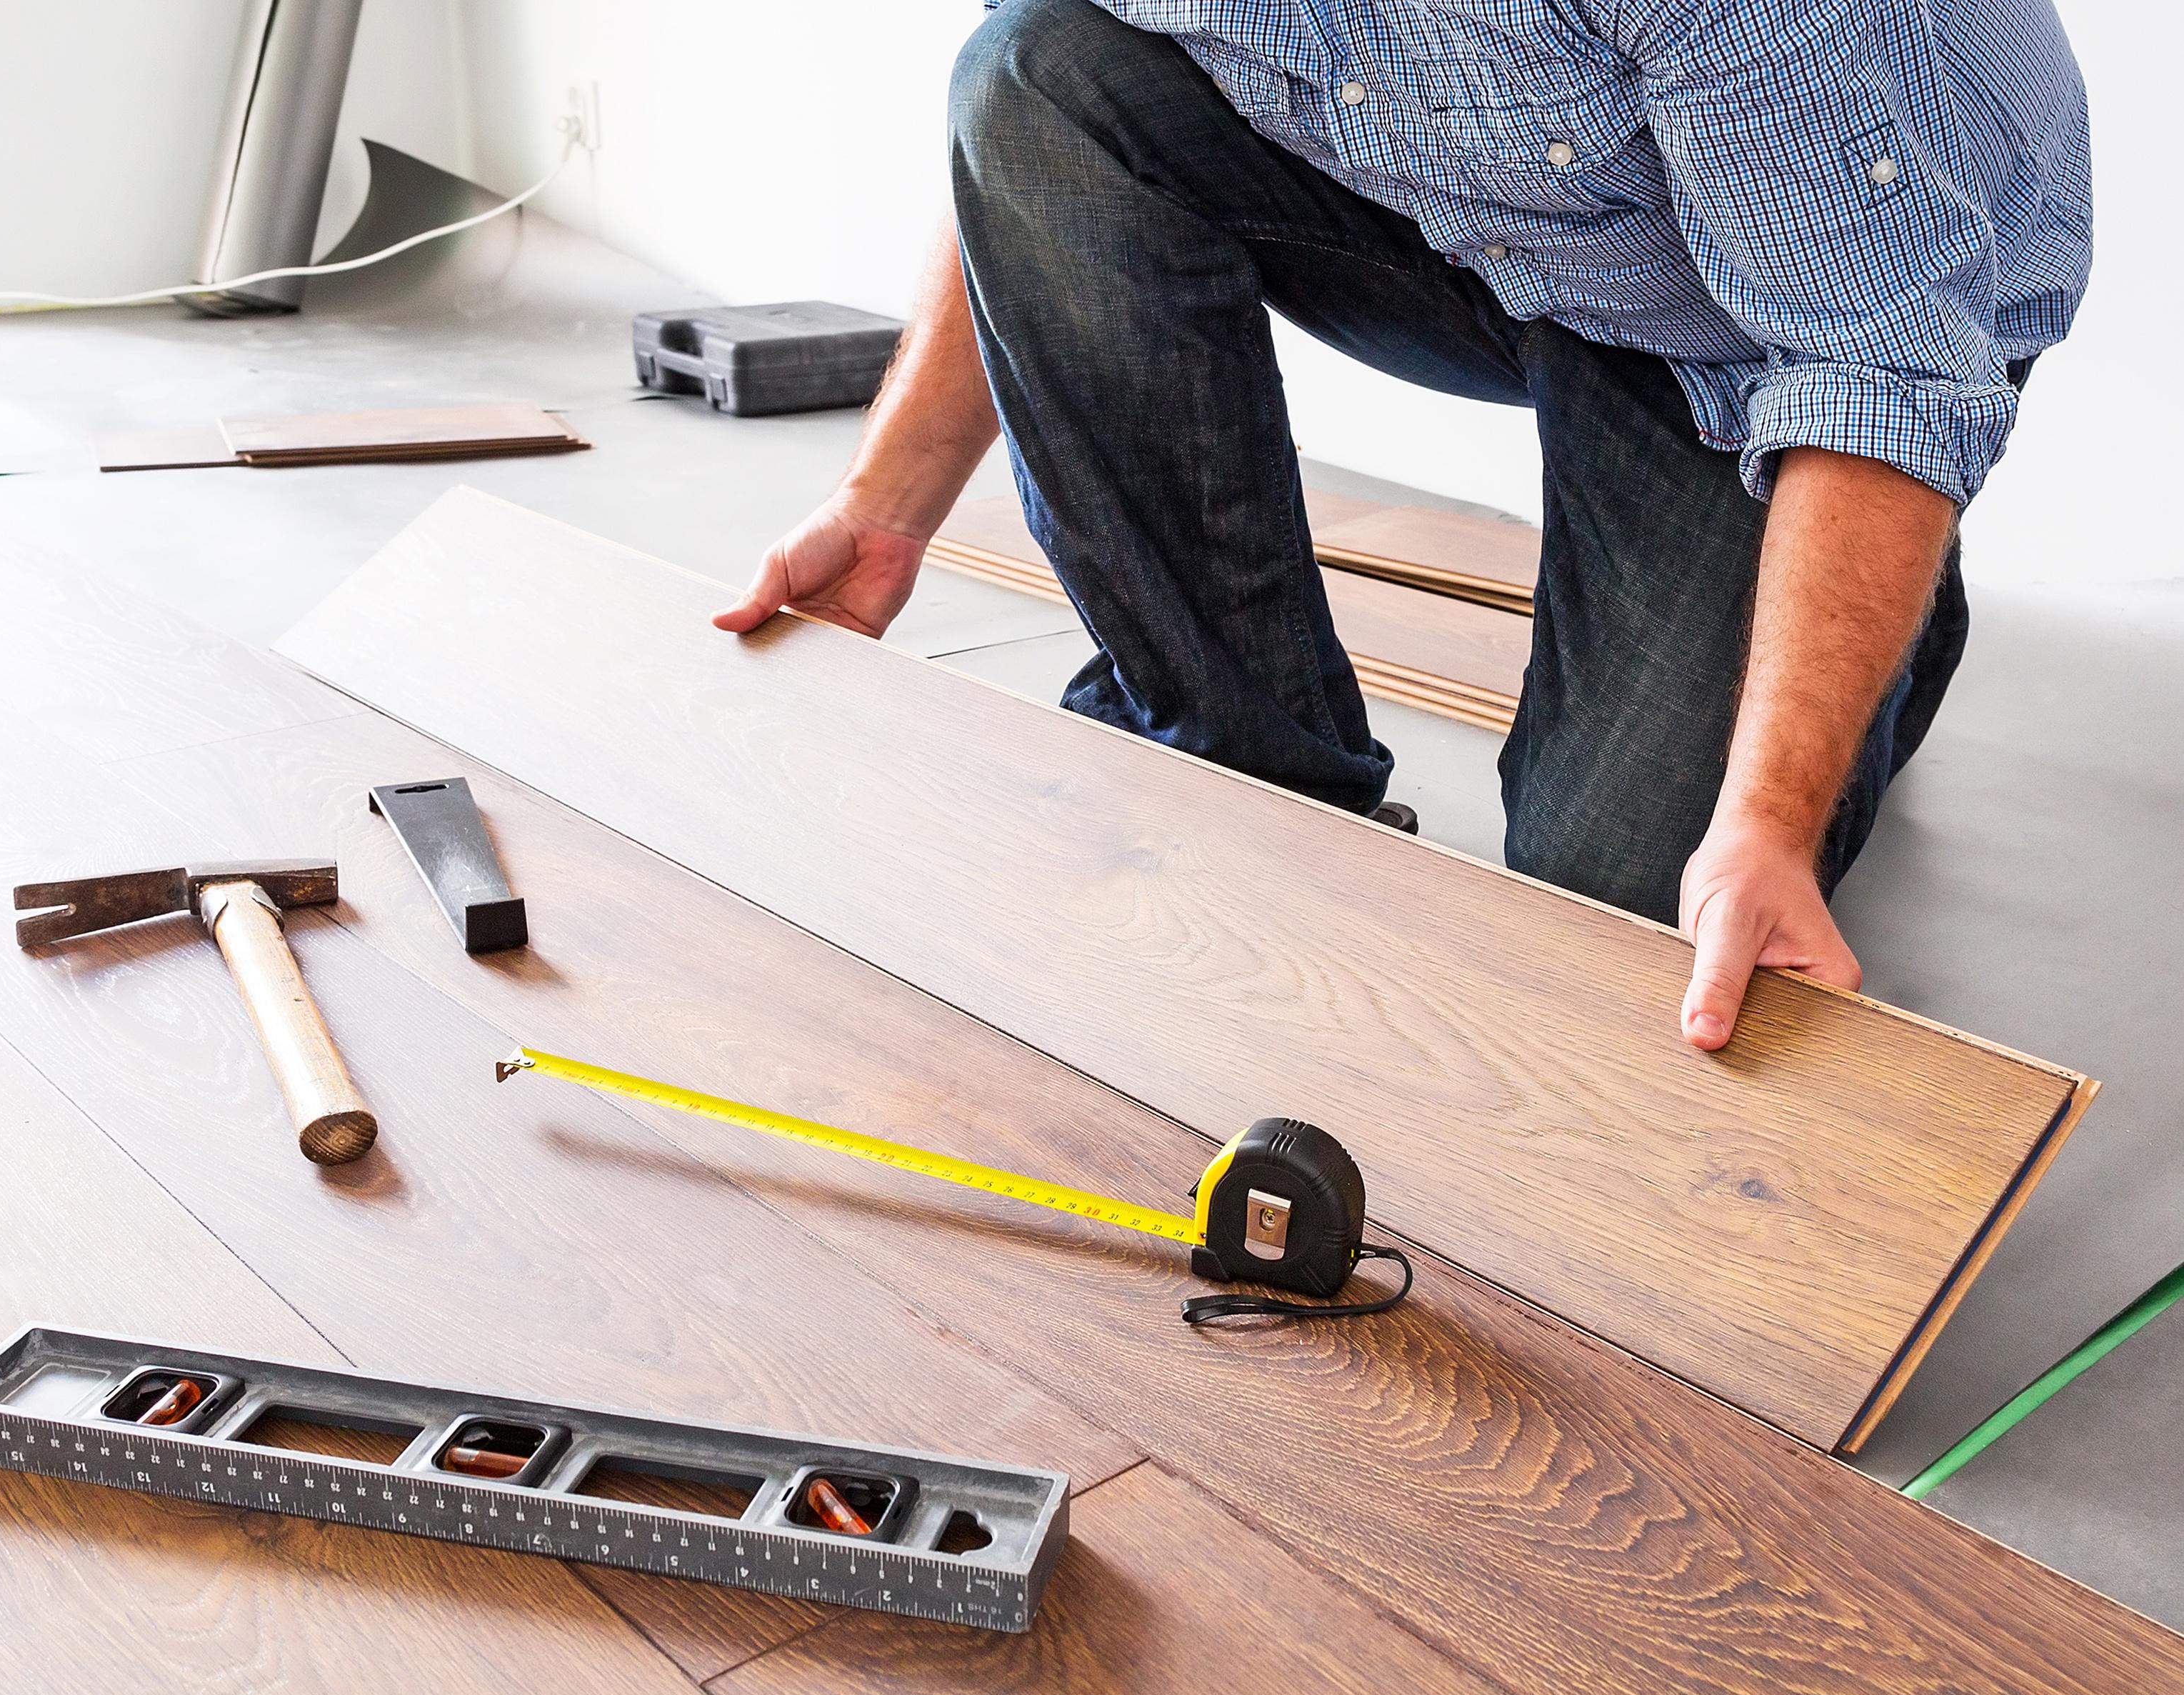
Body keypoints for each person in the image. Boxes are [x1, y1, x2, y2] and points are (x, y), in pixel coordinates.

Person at [713, 0, 2089, 1051]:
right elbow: (1030, 124)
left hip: (1780, 333)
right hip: (1503, 212)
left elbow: (1881, 369)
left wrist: (1765, 821)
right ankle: (1248, 769)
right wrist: (880, 506)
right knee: (1037, 68)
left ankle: (1884, 606)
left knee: (1612, 897)